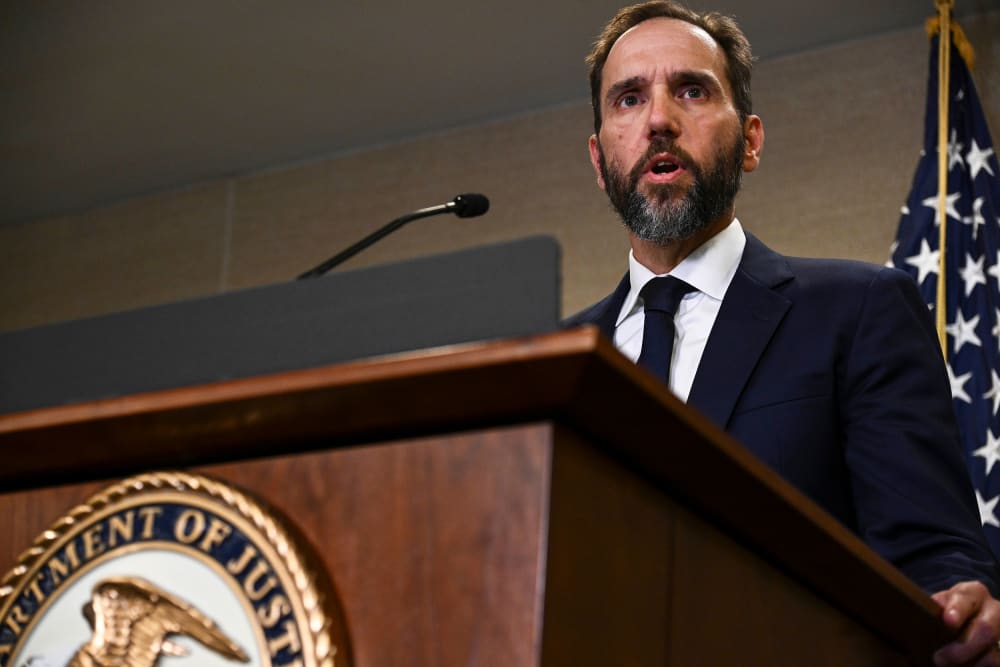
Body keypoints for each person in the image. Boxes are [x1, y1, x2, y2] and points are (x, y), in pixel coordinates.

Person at [563, 2, 1000, 664]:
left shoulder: (860, 311)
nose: (658, 119)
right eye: (628, 98)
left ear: (750, 140)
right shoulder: (558, 360)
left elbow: (931, 557)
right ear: (600, 161)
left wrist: (960, 601)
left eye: (691, 89)